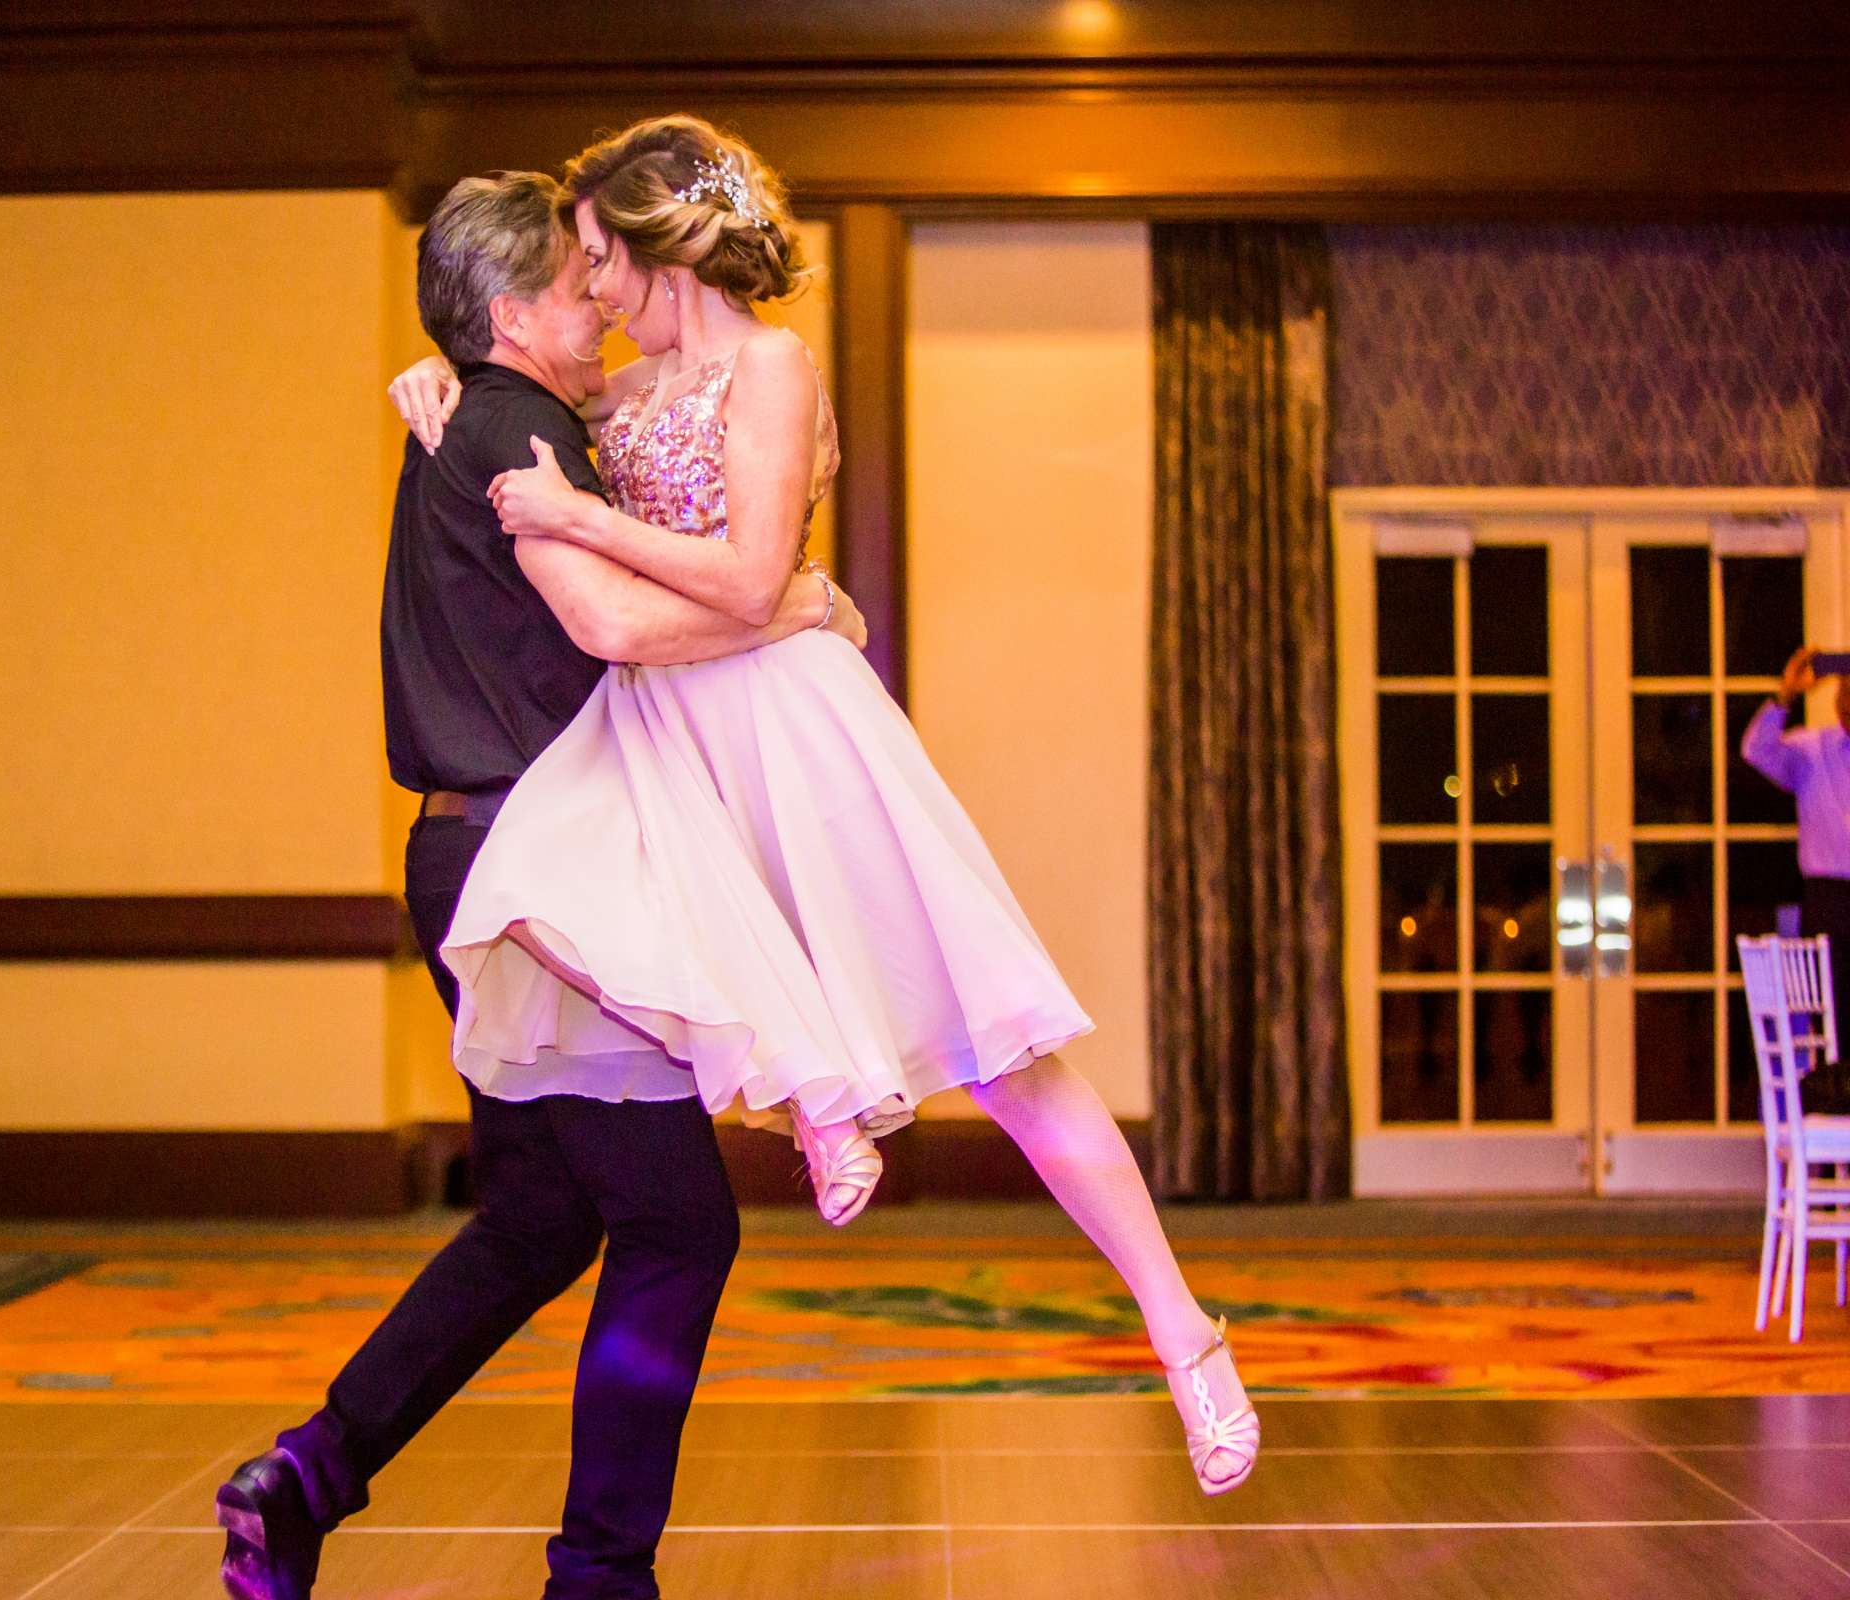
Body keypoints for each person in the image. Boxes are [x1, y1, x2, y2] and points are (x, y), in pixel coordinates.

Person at [390, 114, 1258, 1498]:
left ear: (667, 246)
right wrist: (431, 381)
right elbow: (507, 399)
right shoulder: (626, 389)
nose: (594, 289)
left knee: (1000, 1048)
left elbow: (742, 582)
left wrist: (583, 521)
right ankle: (815, 1105)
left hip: (783, 716)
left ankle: (1186, 1334)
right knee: (630, 924)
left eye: (603, 258)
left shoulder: (775, 367)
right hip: (663, 730)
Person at [214, 171, 868, 1600]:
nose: (605, 298)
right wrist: (796, 602)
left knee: (539, 1215)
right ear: (514, 312)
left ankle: (309, 1473)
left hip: (465, 863)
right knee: (679, 1225)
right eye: (578, 282)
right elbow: (622, 628)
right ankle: (599, 1576)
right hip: (541, 880)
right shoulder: (525, 444)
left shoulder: (479, 423)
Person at [1743, 645, 1850, 1106]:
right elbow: (1757, 750)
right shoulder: (1813, 748)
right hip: (1831, 901)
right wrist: (1785, 696)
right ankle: (1834, 1148)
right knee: (1833, 1023)